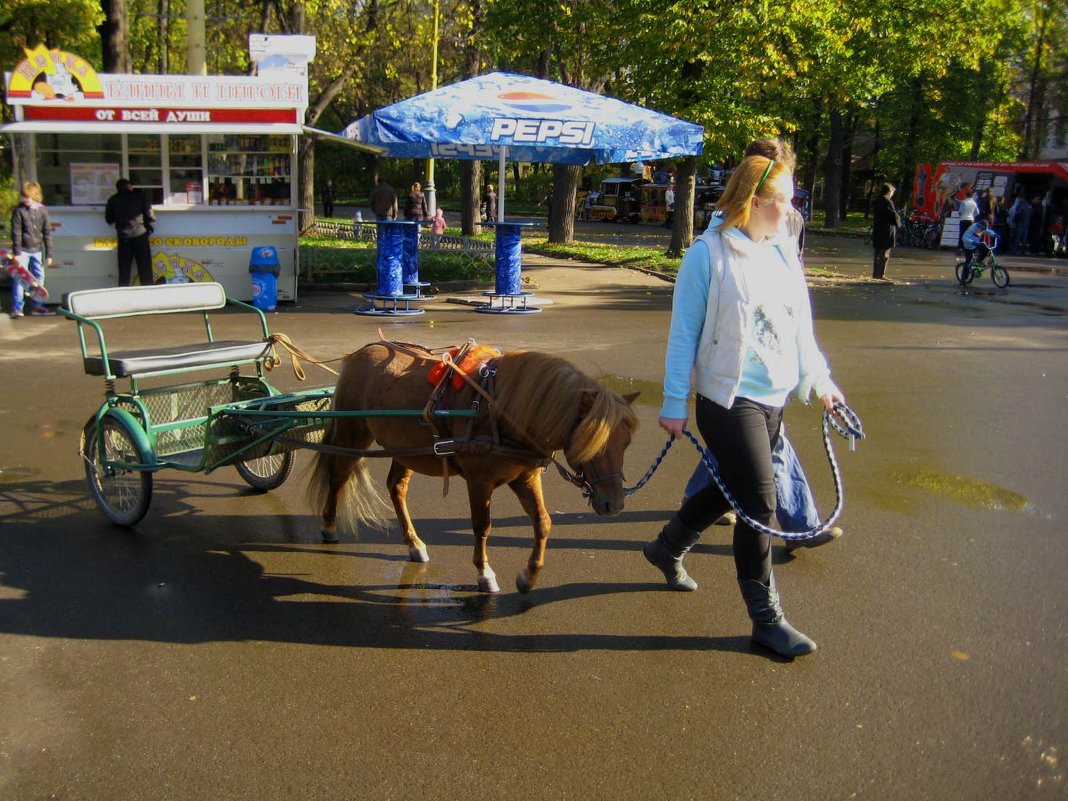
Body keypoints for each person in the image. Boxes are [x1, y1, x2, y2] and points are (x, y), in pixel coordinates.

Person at [644, 154, 845, 658]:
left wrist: (821, 381)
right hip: (727, 400)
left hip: (774, 398)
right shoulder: (707, 254)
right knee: (759, 504)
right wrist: (674, 401)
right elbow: (683, 334)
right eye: (784, 199)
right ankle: (766, 620)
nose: (791, 207)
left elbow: (801, 328)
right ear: (754, 202)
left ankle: (666, 547)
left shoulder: (782, 252)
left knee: (730, 488)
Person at [9, 181, 55, 318]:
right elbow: (16, 233)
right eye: (23, 196)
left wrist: (49, 254)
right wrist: (16, 253)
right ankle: (17, 307)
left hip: (37, 249)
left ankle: (37, 306)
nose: (24, 199)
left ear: (34, 195)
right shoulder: (19, 211)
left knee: (39, 277)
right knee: (20, 277)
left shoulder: (42, 211)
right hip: (23, 249)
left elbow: (47, 232)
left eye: (27, 196)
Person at [104, 178, 156, 287]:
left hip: (123, 236)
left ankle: (124, 291)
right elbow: (150, 215)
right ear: (129, 186)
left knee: (124, 267)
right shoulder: (140, 196)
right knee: (144, 266)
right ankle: (148, 290)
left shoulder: (113, 200)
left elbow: (109, 219)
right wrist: (149, 222)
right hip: (140, 234)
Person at [871, 183, 900, 281]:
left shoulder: (876, 201)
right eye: (892, 192)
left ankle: (875, 273)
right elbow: (893, 215)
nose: (892, 194)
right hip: (887, 230)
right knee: (884, 253)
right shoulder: (888, 202)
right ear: (889, 192)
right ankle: (881, 274)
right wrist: (898, 223)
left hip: (878, 228)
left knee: (877, 252)